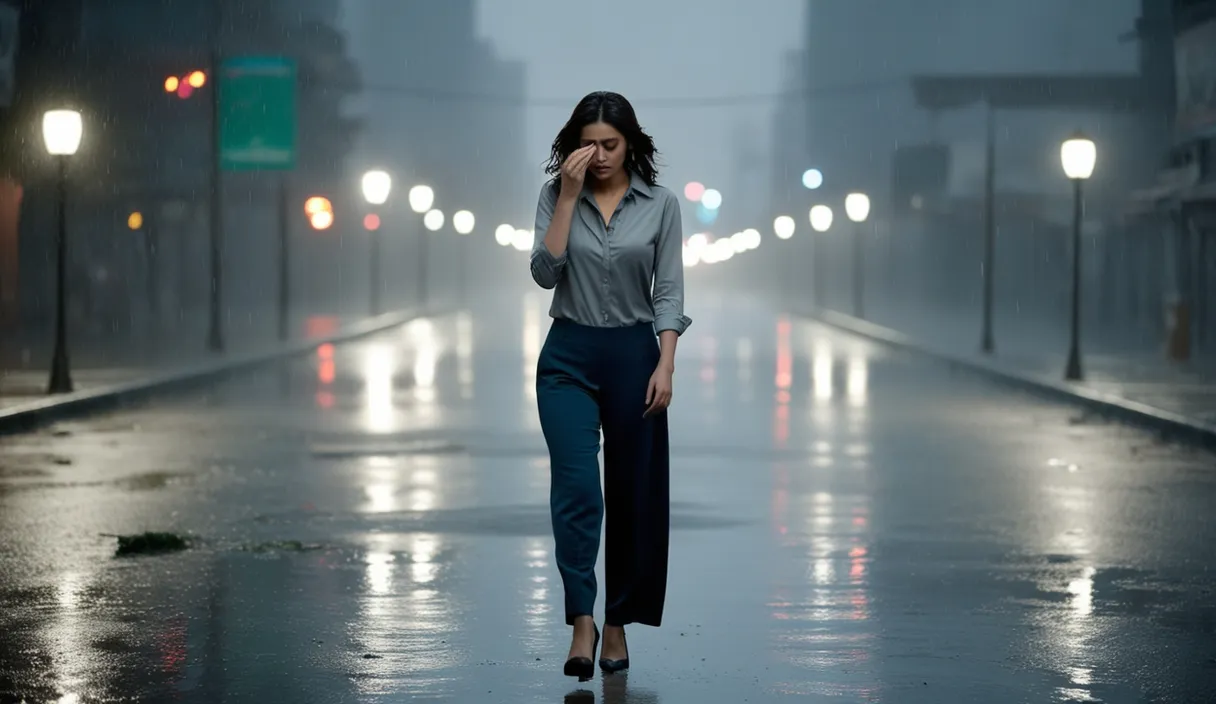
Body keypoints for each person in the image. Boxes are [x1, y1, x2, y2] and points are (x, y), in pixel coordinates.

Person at [529, 90, 691, 680]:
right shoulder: (554, 195)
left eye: (610, 144)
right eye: (588, 144)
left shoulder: (661, 204)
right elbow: (546, 274)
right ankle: (581, 622)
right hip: (567, 357)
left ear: (630, 145)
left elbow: (668, 292)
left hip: (633, 354)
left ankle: (617, 621)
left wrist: (665, 363)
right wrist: (569, 198)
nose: (598, 156)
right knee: (577, 491)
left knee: (630, 494)